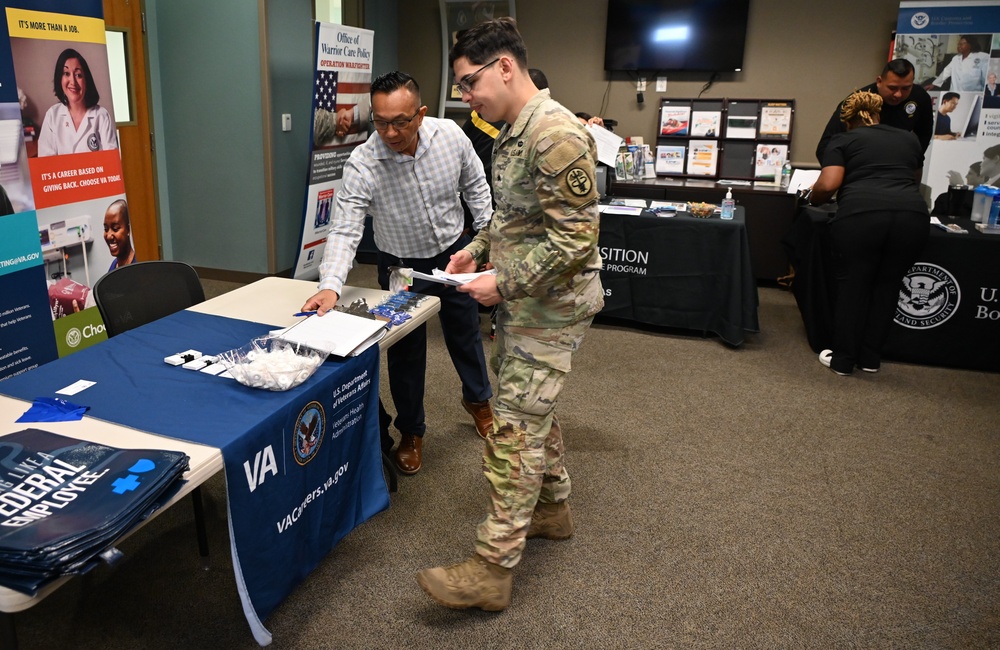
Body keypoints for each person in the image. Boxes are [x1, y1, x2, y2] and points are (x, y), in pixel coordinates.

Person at [416, 17, 604, 611]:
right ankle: (551, 510)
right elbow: (518, 215)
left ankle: (491, 569)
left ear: (505, 66)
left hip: (553, 304)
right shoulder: (514, 130)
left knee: (515, 427)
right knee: (530, 408)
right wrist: (479, 245)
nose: (466, 96)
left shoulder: (554, 135)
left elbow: (576, 243)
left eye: (470, 82)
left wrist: (506, 280)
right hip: (527, 298)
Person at [301, 71, 494, 476]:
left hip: (454, 256)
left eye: (400, 121)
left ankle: (478, 401)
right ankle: (411, 431)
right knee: (406, 350)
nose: (389, 132)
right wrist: (331, 286)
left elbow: (477, 186)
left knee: (464, 333)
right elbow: (345, 227)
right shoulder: (363, 162)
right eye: (381, 121)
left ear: (420, 114)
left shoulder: (450, 138)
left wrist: (487, 242)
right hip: (401, 267)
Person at [809, 90, 929, 376]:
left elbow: (829, 184)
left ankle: (842, 360)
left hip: (862, 218)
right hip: (912, 217)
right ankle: (870, 359)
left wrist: (813, 199)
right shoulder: (909, 139)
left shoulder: (843, 139)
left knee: (854, 286)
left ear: (848, 120)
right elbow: (913, 179)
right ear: (879, 113)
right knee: (888, 285)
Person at [816, 59, 933, 161]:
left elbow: (924, 134)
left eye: (906, 88)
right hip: (860, 167)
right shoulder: (857, 102)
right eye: (892, 88)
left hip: (899, 165)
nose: (898, 94)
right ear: (879, 81)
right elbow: (825, 147)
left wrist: (911, 160)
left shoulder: (920, 97)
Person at [38, 48, 117, 156]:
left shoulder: (101, 116)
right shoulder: (52, 115)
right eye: (66, 73)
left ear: (86, 80)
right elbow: (45, 164)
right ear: (59, 79)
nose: (73, 82)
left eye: (78, 75)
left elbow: (111, 162)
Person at [925, 35, 989, 93]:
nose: (959, 46)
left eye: (962, 44)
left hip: (971, 95)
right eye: (958, 44)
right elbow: (946, 72)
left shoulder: (983, 57)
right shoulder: (956, 58)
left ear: (970, 45)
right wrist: (934, 84)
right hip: (954, 92)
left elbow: (986, 79)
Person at [104, 199, 136, 271]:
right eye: (106, 229)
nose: (109, 236)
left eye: (115, 228)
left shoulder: (138, 267)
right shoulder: (114, 266)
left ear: (128, 229)